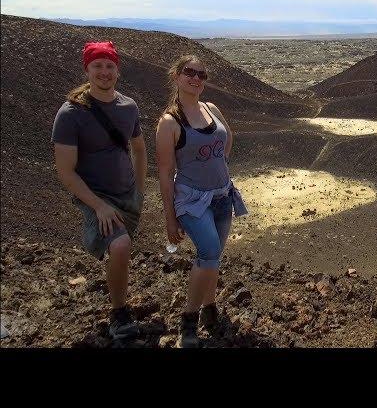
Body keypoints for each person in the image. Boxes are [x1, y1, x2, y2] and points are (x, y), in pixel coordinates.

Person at [52, 41, 147, 342]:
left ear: (117, 70)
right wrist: (99, 206)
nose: (104, 72)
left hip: (126, 194)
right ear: (87, 69)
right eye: (98, 66)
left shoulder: (128, 106)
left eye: (109, 66)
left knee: (121, 249)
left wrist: (140, 189)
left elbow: (140, 149)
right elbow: (66, 172)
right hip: (96, 197)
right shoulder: (70, 114)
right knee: (120, 247)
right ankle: (119, 313)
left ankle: (116, 284)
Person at [156, 54, 247, 348]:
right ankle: (188, 323)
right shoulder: (170, 123)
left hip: (222, 195)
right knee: (207, 252)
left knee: (213, 258)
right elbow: (166, 172)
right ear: (176, 76)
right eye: (189, 72)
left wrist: (219, 165)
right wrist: (170, 218)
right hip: (193, 200)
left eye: (201, 74)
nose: (195, 78)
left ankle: (210, 309)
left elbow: (228, 137)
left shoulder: (212, 109)